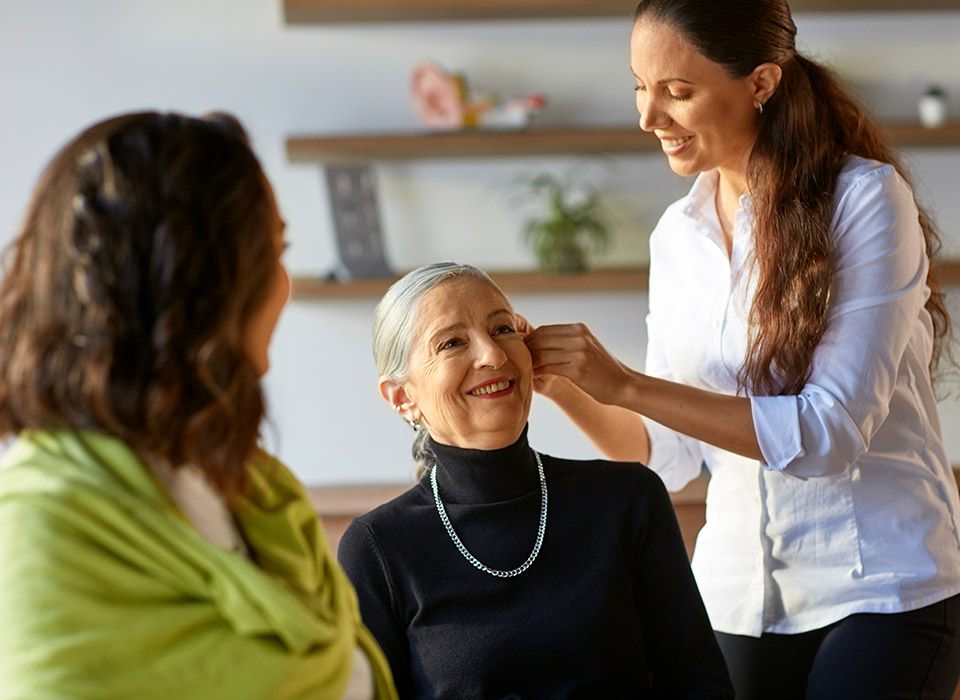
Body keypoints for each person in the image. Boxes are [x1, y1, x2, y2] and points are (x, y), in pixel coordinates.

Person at [522, 1, 960, 698]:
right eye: (640, 85)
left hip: (880, 585)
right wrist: (568, 384)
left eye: (678, 91)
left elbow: (829, 432)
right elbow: (663, 456)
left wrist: (627, 383)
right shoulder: (677, 236)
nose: (648, 117)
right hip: (734, 595)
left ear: (760, 82)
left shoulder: (865, 201)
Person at [0, 111, 396, 699]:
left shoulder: (263, 497)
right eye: (273, 250)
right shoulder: (43, 535)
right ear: (203, 286)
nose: (282, 281)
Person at [337, 261, 733, 699]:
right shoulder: (378, 546)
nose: (492, 355)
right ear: (402, 397)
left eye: (503, 329)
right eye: (451, 343)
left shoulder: (627, 499)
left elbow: (700, 685)